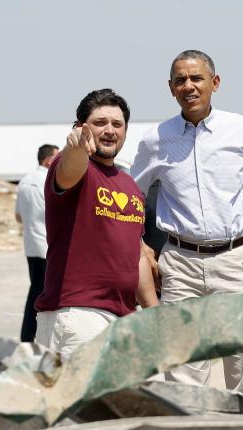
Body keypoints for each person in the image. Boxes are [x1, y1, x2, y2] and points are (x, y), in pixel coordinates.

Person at [131, 49, 243, 400]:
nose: (188, 86)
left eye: (196, 78)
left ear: (214, 83)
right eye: (180, 81)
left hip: (238, 261)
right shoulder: (155, 139)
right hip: (180, 265)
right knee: (182, 374)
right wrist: (141, 244)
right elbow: (131, 196)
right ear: (170, 88)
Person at [34, 89, 155, 358]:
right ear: (80, 127)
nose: (110, 130)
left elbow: (135, 255)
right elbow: (71, 167)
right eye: (100, 123)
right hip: (78, 316)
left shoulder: (130, 186)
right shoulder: (74, 169)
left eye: (117, 124)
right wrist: (76, 146)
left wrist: (155, 314)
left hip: (123, 318)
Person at [15, 143, 58, 342]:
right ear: (49, 160)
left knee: (37, 289)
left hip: (30, 245)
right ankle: (30, 336)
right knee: (41, 293)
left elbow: (18, 217)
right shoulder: (48, 180)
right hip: (47, 246)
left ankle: (29, 336)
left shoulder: (24, 181)